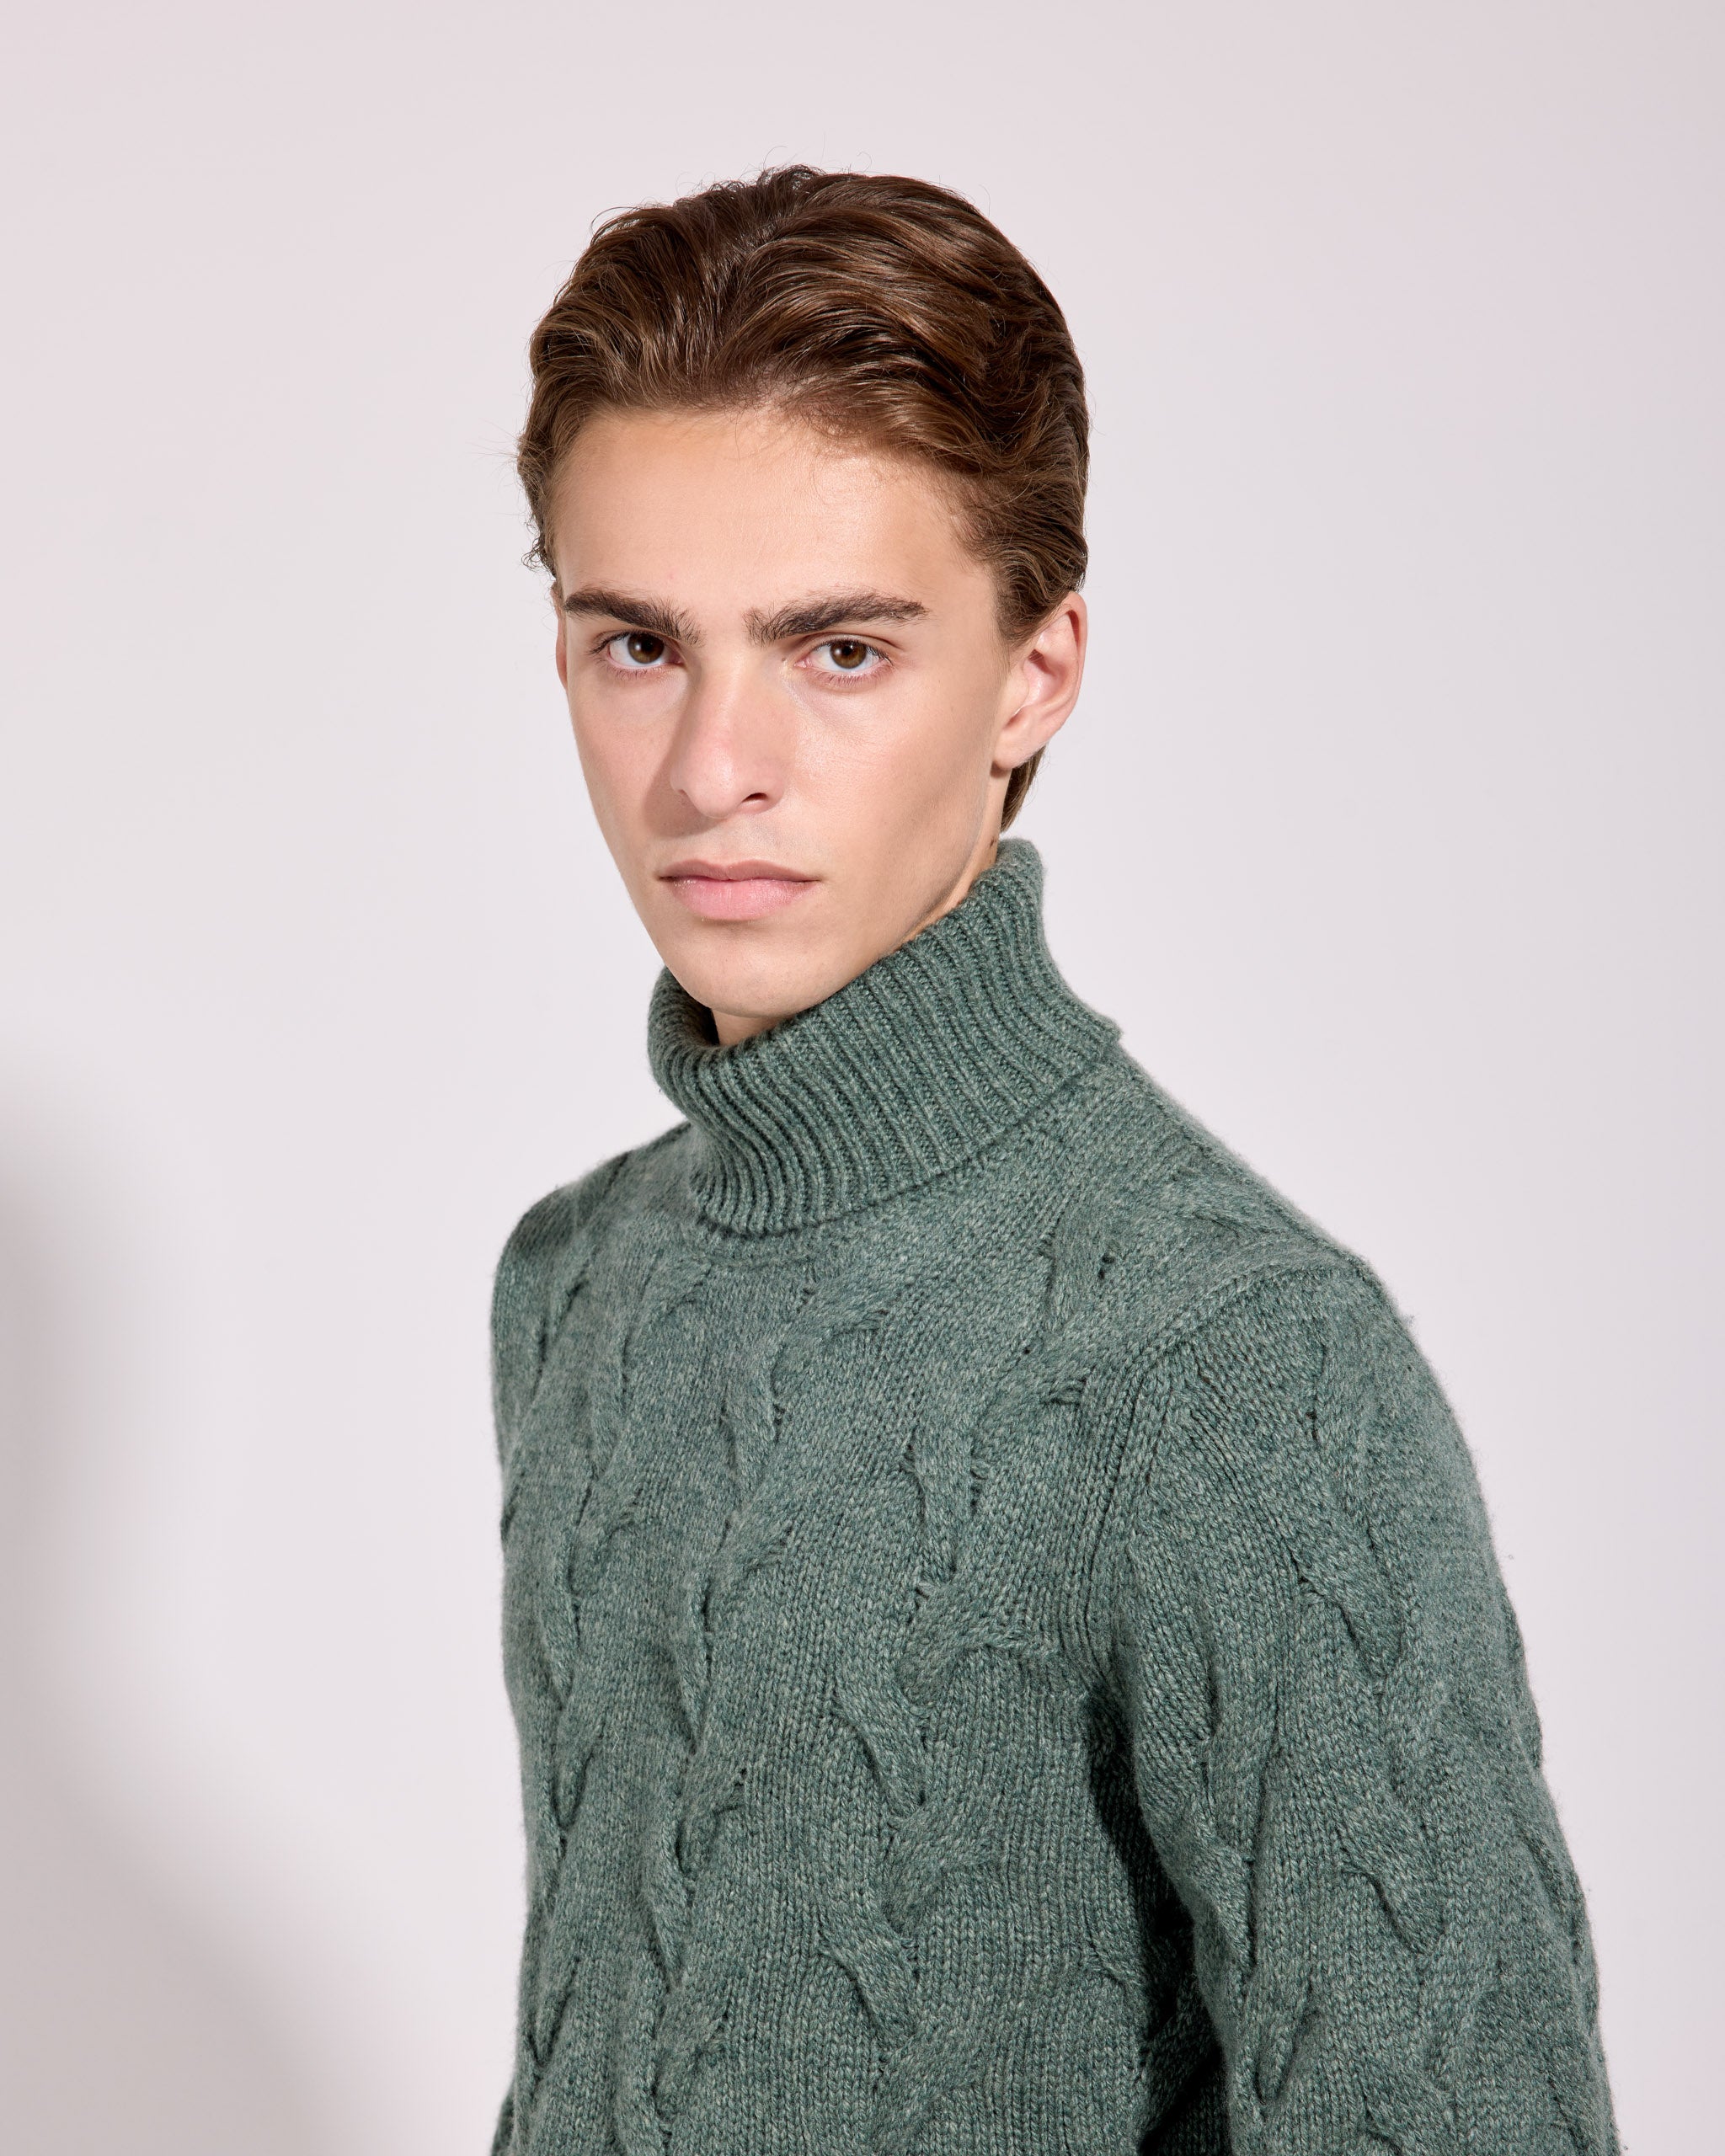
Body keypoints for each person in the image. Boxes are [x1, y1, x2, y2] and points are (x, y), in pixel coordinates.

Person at [487, 166, 1619, 2156]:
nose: (711, 766)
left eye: (841, 649)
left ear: (1034, 673)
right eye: (638, 643)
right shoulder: (579, 1281)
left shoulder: (1235, 1358)